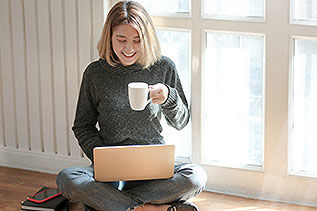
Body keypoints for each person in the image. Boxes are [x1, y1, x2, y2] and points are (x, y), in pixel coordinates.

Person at [56, 1, 207, 210]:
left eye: (137, 40)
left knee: (195, 176)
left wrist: (169, 97)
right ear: (110, 37)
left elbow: (181, 122)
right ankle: (153, 207)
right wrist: (104, 157)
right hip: (112, 171)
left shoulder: (163, 67)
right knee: (67, 178)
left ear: (147, 38)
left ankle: (114, 204)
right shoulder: (95, 73)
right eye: (121, 39)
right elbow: (82, 126)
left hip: (154, 166)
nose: (129, 48)